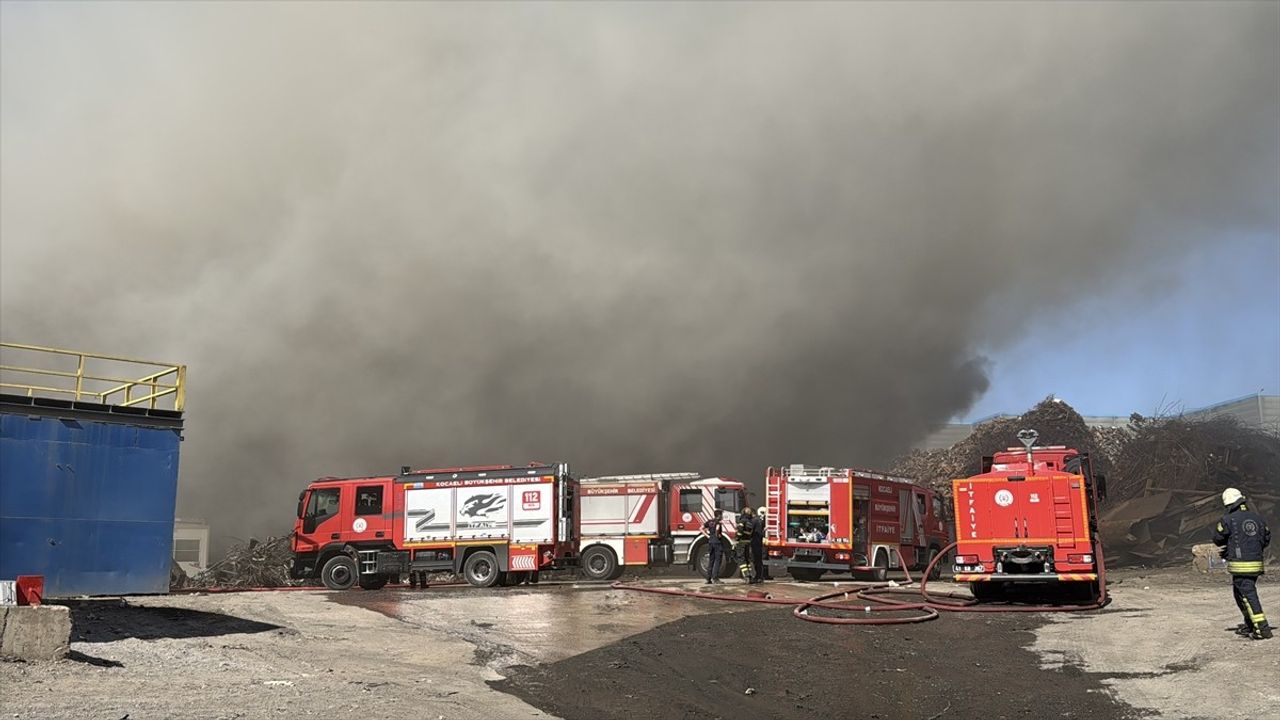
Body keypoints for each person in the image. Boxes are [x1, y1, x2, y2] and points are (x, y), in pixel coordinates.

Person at [1213, 488, 1271, 640]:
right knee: (1239, 594)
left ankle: (1262, 629)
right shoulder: (1258, 518)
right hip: (1256, 563)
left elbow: (1218, 539)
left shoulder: (1228, 519)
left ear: (1229, 504)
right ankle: (1250, 624)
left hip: (1240, 565)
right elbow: (1266, 539)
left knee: (1247, 595)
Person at [703, 509, 726, 584]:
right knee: (718, 560)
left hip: (711, 542)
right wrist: (718, 535)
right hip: (717, 542)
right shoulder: (718, 522)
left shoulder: (710, 522)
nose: (722, 516)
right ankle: (715, 578)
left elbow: (701, 528)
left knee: (711, 560)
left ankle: (708, 578)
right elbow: (717, 529)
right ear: (719, 515)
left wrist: (708, 536)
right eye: (721, 515)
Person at [735, 506, 757, 582]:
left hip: (741, 542)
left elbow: (740, 531)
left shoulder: (742, 521)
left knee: (741, 559)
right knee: (747, 560)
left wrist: (737, 538)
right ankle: (751, 575)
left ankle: (746, 576)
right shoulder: (750, 522)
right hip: (748, 542)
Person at [750, 506, 767, 583]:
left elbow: (751, 531)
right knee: (759, 560)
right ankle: (760, 576)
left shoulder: (753, 521)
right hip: (759, 542)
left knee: (756, 560)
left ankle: (758, 576)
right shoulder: (760, 521)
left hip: (755, 542)